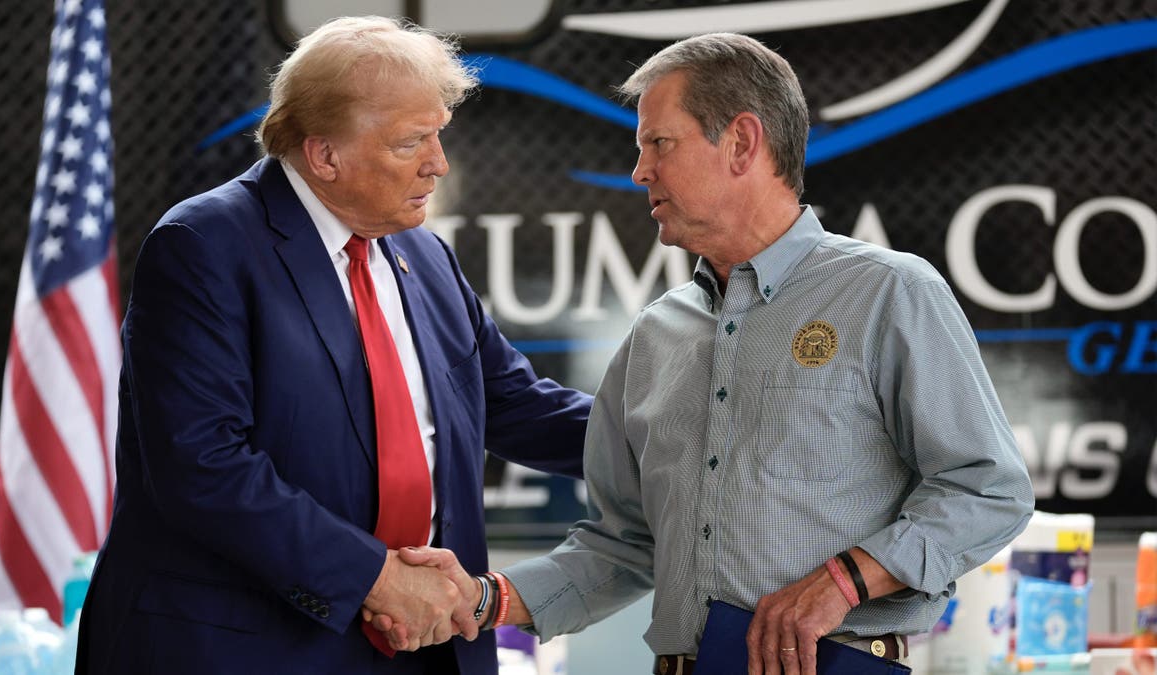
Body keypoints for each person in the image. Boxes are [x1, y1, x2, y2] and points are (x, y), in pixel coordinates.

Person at [388, 31, 1035, 675]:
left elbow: (988, 489)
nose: (641, 170)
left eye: (657, 144)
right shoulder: (655, 336)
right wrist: (482, 597)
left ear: (742, 142)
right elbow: (625, 545)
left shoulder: (890, 293)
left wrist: (844, 581)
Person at [74, 16, 592, 675]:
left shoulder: (423, 254)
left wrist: (675, 446)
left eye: (439, 135)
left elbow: (513, 403)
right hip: (247, 649)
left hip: (423, 647)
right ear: (324, 154)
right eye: (413, 142)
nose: (439, 163)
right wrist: (377, 577)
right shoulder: (203, 245)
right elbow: (203, 464)